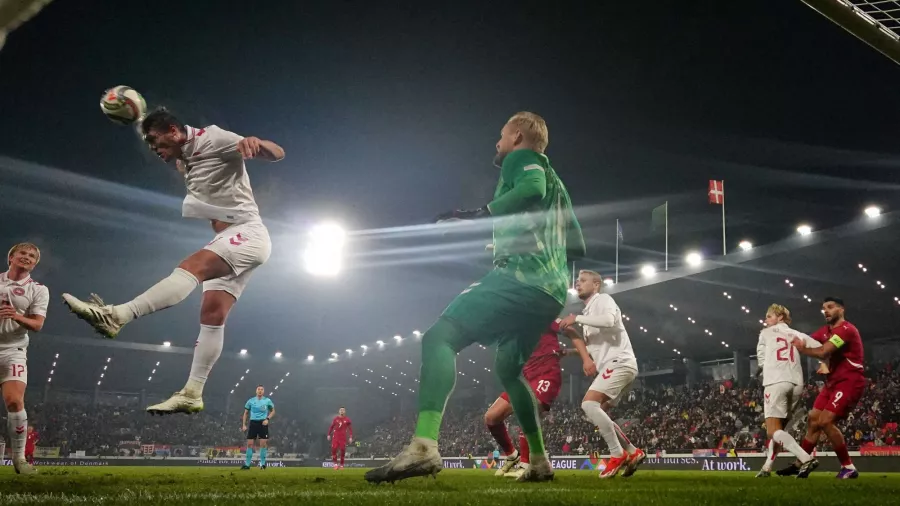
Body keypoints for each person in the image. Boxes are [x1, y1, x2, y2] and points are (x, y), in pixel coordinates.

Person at [364, 112, 585, 484]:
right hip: (551, 292)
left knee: (440, 338)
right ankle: (540, 461)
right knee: (510, 371)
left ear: (517, 136)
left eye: (501, 136)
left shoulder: (522, 159)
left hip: (521, 279)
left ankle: (423, 446)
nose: (497, 144)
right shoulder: (560, 185)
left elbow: (530, 189)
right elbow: (576, 245)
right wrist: (513, 239)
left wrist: (479, 216)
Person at [62, 108, 284, 415]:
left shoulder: (215, 137)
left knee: (190, 267)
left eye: (157, 142)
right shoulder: (183, 156)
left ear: (174, 131)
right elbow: (167, 136)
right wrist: (144, 122)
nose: (154, 149)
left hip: (247, 232)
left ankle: (117, 316)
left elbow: (278, 153)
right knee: (212, 315)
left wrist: (256, 142)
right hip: (231, 237)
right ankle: (193, 392)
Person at [559, 270, 644, 479]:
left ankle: (617, 454)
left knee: (588, 404)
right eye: (577, 281)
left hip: (619, 363)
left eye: (583, 281)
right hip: (614, 365)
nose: (578, 284)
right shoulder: (588, 314)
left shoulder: (604, 300)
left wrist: (575, 318)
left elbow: (609, 320)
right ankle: (633, 452)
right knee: (597, 412)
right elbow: (593, 347)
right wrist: (569, 352)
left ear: (596, 285)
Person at [784, 296, 865, 479]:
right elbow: (810, 341)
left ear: (841, 309)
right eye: (824, 309)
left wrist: (803, 349)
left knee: (825, 421)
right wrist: (789, 336)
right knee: (813, 418)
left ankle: (848, 467)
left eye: (830, 307)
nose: (826, 311)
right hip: (832, 383)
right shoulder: (826, 330)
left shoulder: (846, 330)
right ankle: (802, 462)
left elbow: (823, 351)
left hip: (849, 381)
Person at [485, 320, 563, 478]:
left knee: (528, 410)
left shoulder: (543, 316)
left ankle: (526, 463)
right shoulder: (514, 327)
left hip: (545, 374)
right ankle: (512, 456)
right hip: (524, 377)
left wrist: (584, 355)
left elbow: (569, 329)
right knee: (491, 417)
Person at [754, 304, 819, 478]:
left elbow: (761, 359)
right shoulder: (798, 334)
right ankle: (767, 467)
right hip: (797, 383)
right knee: (779, 430)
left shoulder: (765, 333)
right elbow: (820, 348)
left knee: (772, 430)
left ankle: (806, 459)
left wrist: (763, 368)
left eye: (769, 316)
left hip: (776, 381)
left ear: (780, 317)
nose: (766, 320)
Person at [0, 242, 48, 474]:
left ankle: (19, 460)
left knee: (14, 401)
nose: (27, 257)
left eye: (32, 256)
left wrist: (17, 316)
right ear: (11, 257)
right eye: (23, 253)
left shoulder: (38, 289)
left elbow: (37, 324)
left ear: (35, 264)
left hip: (13, 351)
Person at [241, 385, 274, 470]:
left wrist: (267, 419)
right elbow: (245, 413)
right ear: (256, 391)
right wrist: (244, 424)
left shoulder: (267, 401)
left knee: (263, 444)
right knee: (250, 444)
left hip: (263, 423)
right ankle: (247, 465)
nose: (260, 391)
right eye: (258, 389)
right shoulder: (251, 401)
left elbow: (273, 411)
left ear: (263, 391)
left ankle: (262, 465)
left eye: (262, 389)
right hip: (253, 423)